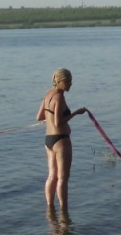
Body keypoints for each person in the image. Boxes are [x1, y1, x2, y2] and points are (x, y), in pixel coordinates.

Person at [36, 68, 87, 210]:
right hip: (61, 140)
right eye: (68, 81)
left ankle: (50, 207)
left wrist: (49, 118)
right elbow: (59, 122)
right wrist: (76, 113)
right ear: (59, 81)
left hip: (49, 140)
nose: (71, 84)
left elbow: (39, 117)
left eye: (71, 81)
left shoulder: (48, 94)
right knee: (63, 178)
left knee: (52, 175)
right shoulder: (59, 97)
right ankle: (64, 210)